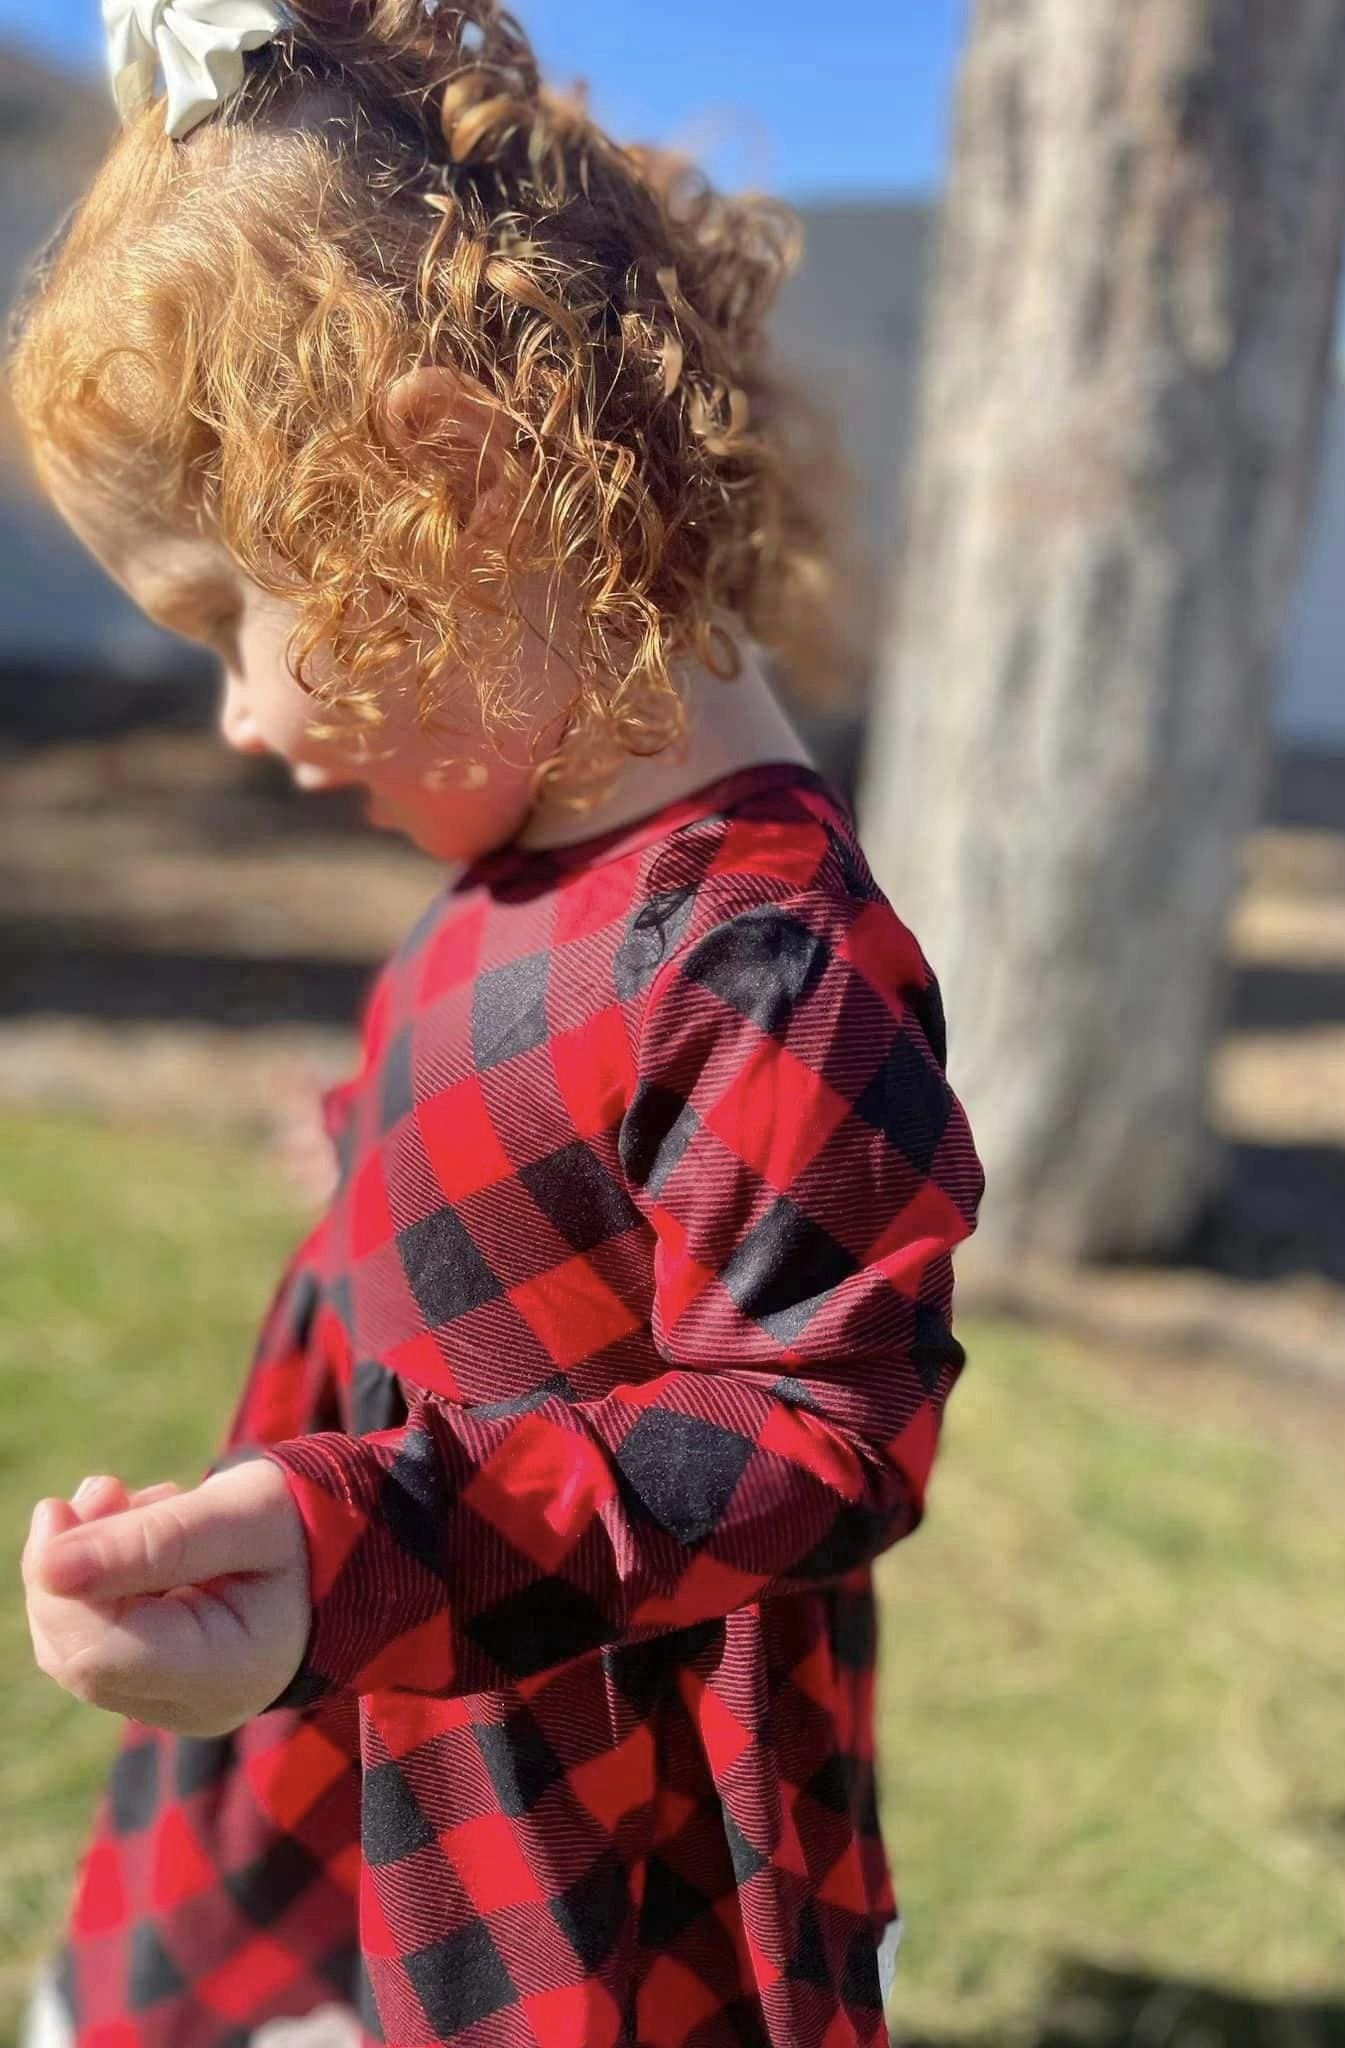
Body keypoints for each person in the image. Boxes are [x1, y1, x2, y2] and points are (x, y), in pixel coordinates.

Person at [12, 4, 984, 2044]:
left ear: (440, 491)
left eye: (229, 621)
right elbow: (531, 1118)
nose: (246, 722)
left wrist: (362, 1533)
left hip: (564, 1778)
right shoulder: (553, 852)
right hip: (365, 1673)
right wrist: (376, 1147)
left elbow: (824, 1426)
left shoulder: (761, 956)